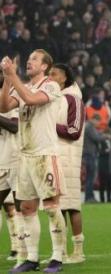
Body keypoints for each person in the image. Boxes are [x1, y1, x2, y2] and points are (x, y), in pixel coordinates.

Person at [0, 50, 67, 273]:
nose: (29, 61)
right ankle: (32, 258)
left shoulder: (51, 86)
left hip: (45, 154)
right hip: (24, 156)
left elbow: (30, 100)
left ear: (45, 66)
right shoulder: (24, 86)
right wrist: (8, 78)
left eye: (34, 59)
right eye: (28, 59)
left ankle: (57, 257)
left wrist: (13, 77)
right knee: (27, 208)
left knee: (51, 207)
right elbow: (4, 107)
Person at [49, 64, 87, 264]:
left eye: (54, 74)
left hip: (69, 158)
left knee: (71, 205)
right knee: (57, 206)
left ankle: (78, 251)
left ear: (64, 78)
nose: (50, 77)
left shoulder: (74, 98)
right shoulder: (55, 99)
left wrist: (48, 125)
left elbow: (74, 130)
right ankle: (61, 251)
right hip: (54, 156)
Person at [0, 71, 24, 264]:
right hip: (1, 158)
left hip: (14, 158)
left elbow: (15, 126)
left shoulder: (15, 95)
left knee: (16, 206)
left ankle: (20, 250)